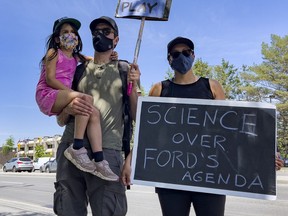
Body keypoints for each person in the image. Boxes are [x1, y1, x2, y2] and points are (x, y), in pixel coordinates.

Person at [121, 36, 284, 216]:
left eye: (186, 52)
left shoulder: (212, 86)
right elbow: (147, 127)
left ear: (193, 55)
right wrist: (130, 159)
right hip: (170, 175)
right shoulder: (160, 89)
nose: (181, 57)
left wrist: (263, 159)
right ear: (169, 59)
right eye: (175, 54)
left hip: (210, 177)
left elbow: (232, 131)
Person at [53, 16, 140, 216]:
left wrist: (134, 86)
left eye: (106, 31)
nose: (100, 35)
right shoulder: (77, 70)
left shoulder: (125, 70)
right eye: (96, 32)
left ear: (115, 39)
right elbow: (60, 119)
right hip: (71, 150)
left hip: (107, 154)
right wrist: (68, 109)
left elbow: (137, 116)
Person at [36, 17, 118, 181]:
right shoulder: (53, 53)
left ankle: (99, 159)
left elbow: (93, 59)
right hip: (48, 94)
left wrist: (112, 55)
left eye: (73, 32)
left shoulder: (76, 57)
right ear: (57, 39)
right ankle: (77, 147)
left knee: (93, 113)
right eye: (65, 32)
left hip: (63, 95)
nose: (70, 34)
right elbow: (51, 79)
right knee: (86, 99)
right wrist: (72, 93)